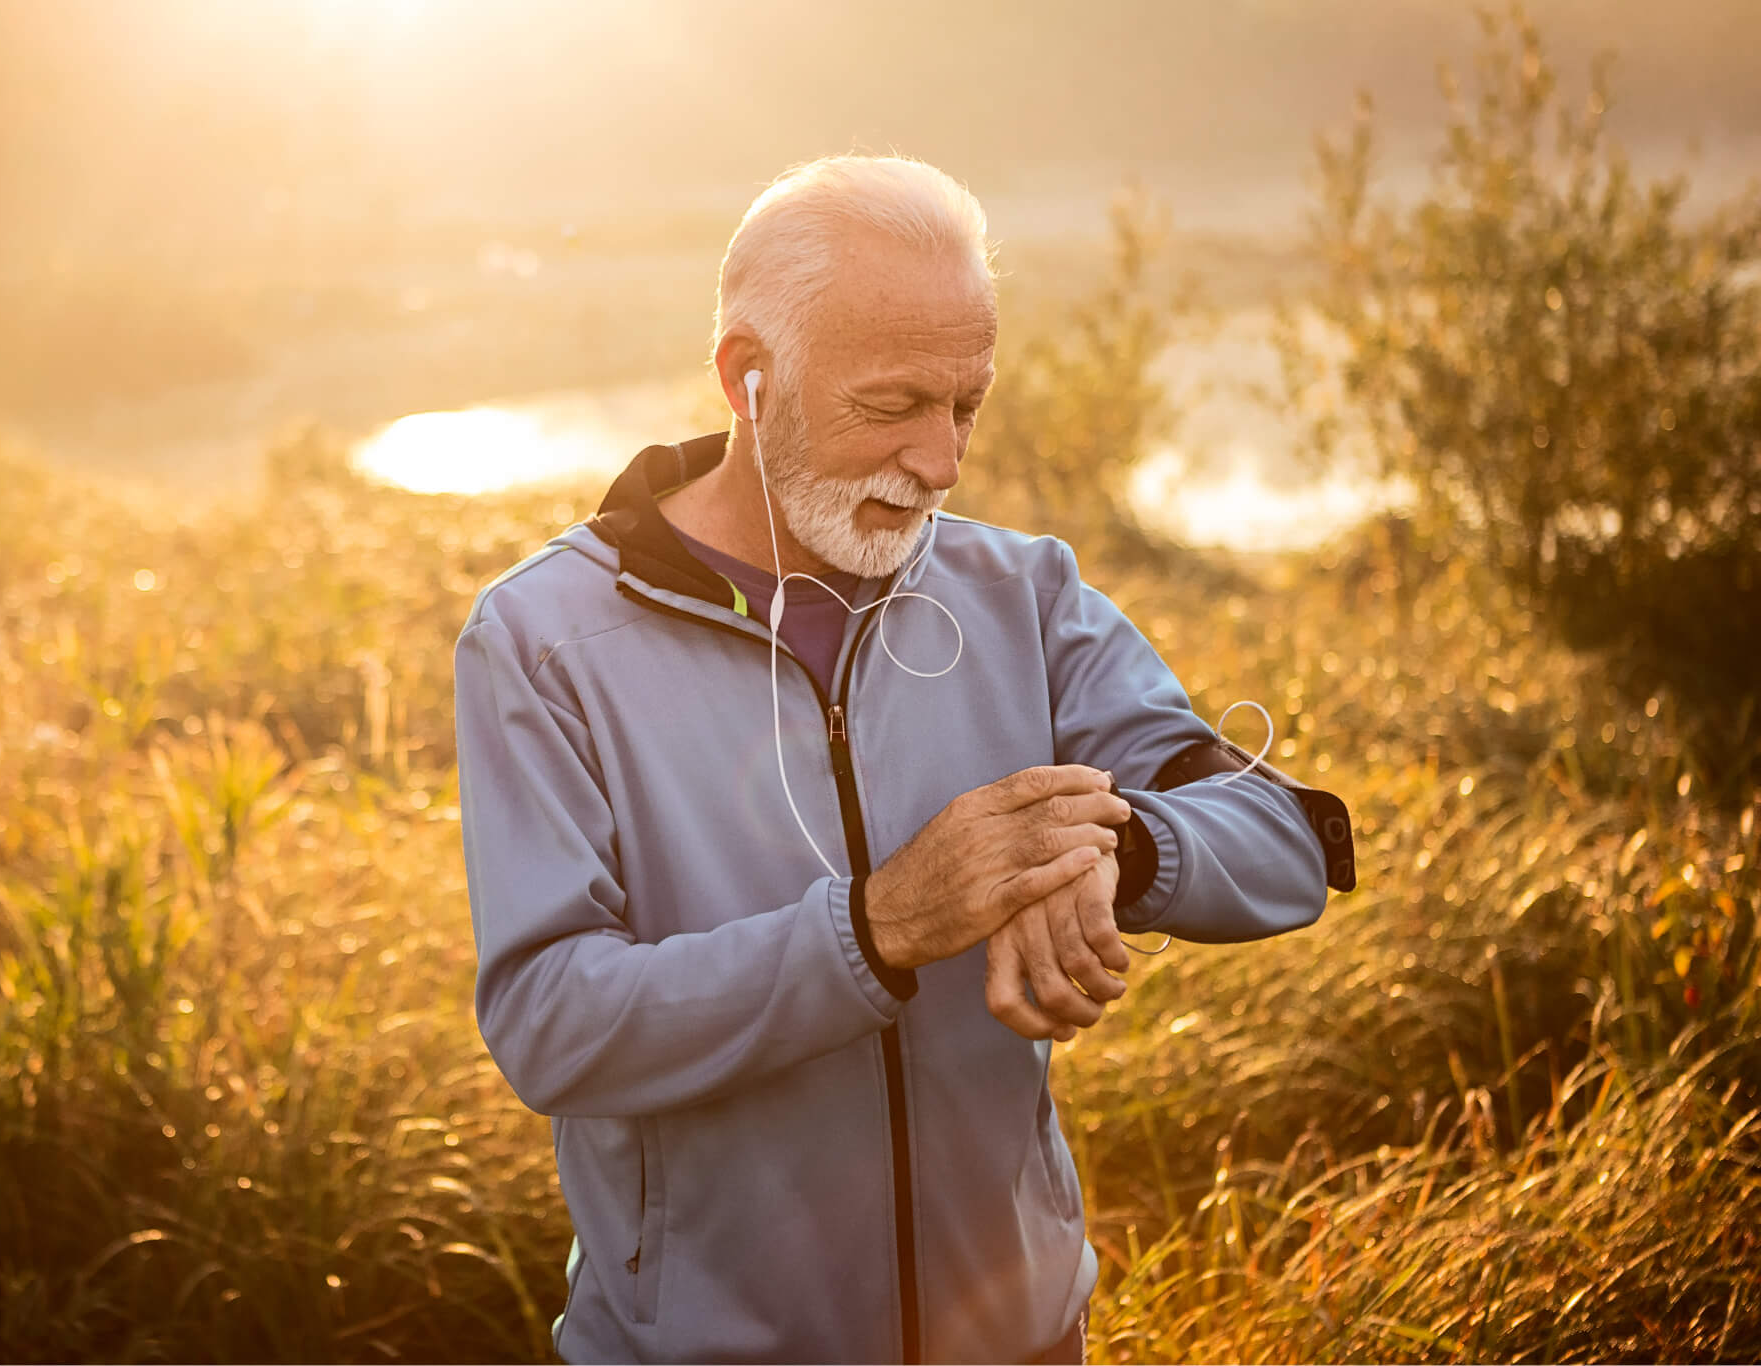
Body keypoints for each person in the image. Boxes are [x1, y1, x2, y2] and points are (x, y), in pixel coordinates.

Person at [453, 154, 1355, 1365]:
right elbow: (553, 1023)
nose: (941, 462)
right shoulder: (542, 639)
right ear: (745, 377)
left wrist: (1112, 849)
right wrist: (874, 929)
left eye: (966, 404)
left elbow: (1290, 839)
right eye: (892, 407)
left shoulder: (1025, 591)